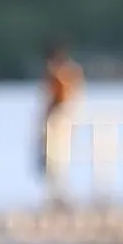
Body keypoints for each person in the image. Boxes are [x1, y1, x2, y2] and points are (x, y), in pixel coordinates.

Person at [36, 42, 84, 201]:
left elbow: (54, 99)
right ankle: (58, 192)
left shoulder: (58, 74)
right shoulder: (71, 72)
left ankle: (57, 192)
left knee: (55, 157)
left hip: (58, 118)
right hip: (64, 117)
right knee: (57, 158)